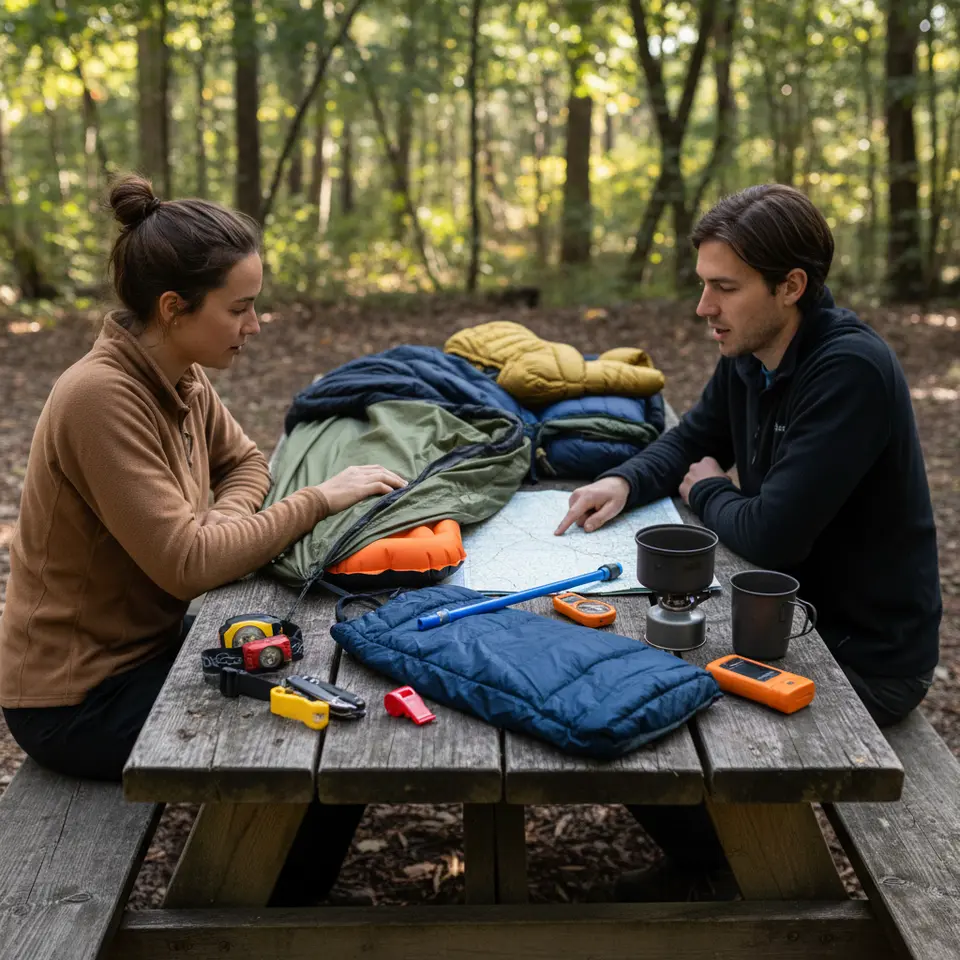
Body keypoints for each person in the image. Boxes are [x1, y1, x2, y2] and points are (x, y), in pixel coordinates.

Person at [0, 174, 403, 902]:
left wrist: (220, 523)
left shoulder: (178, 373)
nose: (255, 326)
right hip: (78, 698)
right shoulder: (101, 396)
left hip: (152, 649)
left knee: (328, 687)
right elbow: (188, 566)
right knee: (317, 729)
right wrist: (314, 499)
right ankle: (249, 913)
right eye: (240, 309)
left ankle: (280, 899)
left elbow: (246, 462)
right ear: (172, 308)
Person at [555, 183, 942, 900]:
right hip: (784, 625)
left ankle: (740, 874)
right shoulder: (751, 349)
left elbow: (769, 537)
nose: (705, 309)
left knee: (633, 704)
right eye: (704, 286)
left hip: (860, 655)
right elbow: (694, 439)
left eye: (723, 289)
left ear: (791, 286)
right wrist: (626, 480)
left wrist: (705, 491)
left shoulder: (847, 370)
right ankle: (716, 858)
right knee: (602, 679)